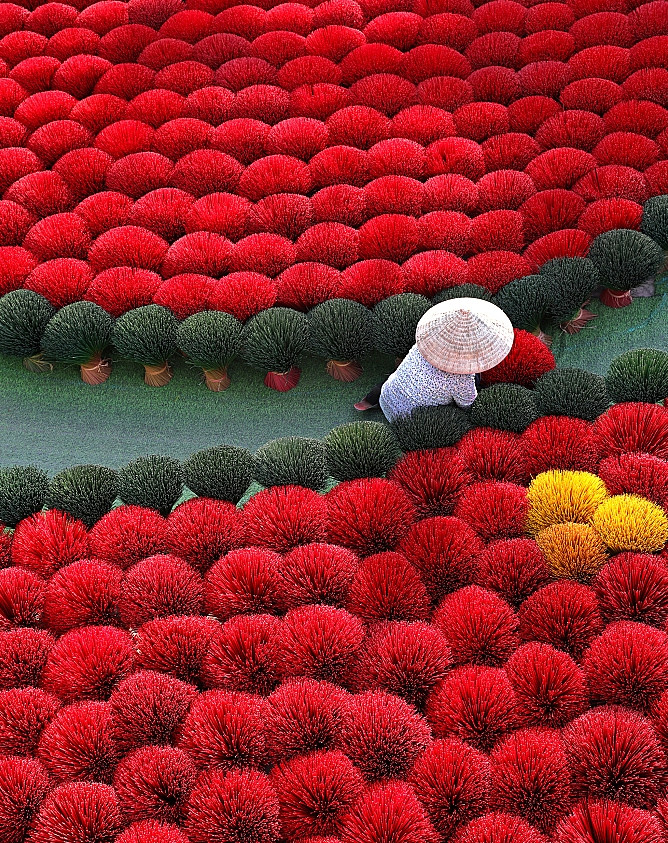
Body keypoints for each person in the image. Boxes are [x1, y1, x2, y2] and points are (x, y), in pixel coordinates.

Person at [355, 298, 514, 423]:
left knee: (394, 379)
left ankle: (370, 400)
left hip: (387, 396)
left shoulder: (421, 347)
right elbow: (467, 405)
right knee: (459, 411)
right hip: (408, 422)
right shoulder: (462, 379)